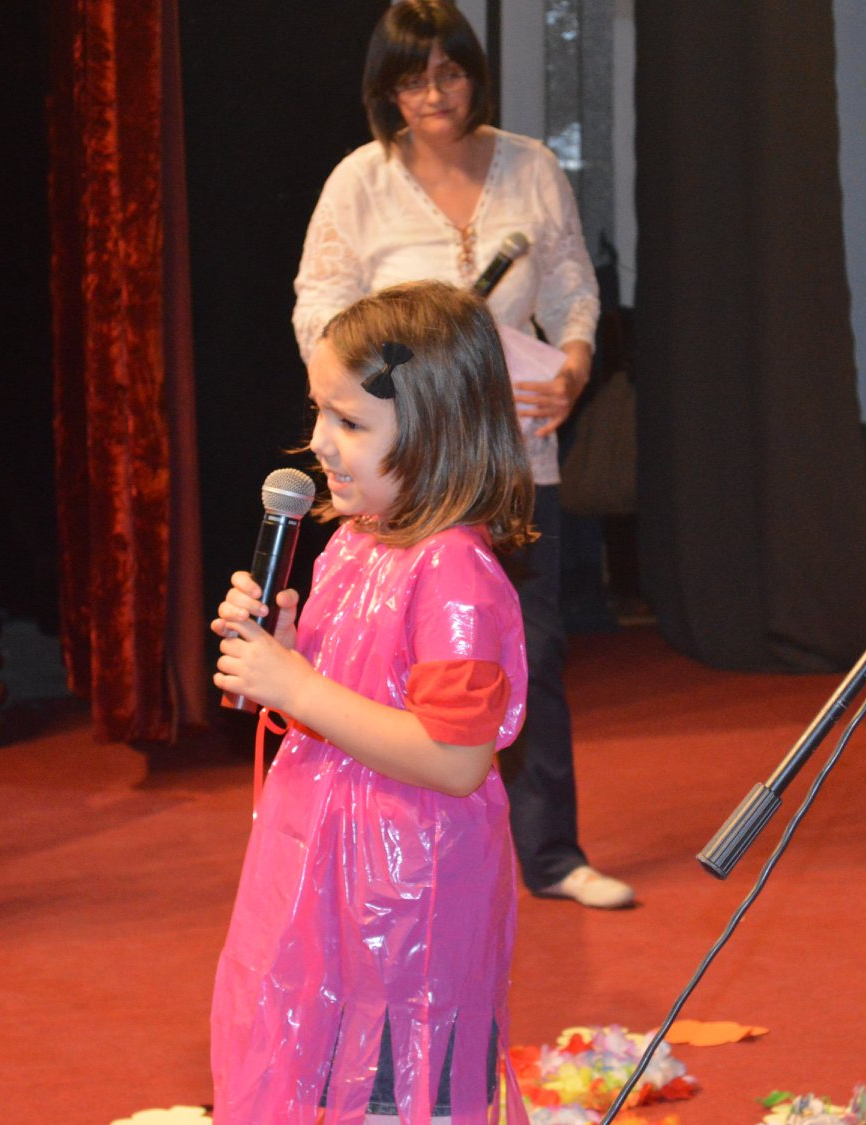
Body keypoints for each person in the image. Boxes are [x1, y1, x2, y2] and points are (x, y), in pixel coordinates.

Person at [291, 0, 630, 909]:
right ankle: (410, 847)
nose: (434, 95)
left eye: (449, 74)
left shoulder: (530, 164)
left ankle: (551, 853)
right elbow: (317, 310)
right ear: (386, 92)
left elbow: (572, 285)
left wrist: (573, 365)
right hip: (406, 464)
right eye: (412, 81)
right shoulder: (359, 182)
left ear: (475, 76)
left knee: (534, 646)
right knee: (407, 649)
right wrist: (384, 384)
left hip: (515, 447)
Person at [211, 282, 534, 1123]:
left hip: (409, 912)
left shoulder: (454, 572)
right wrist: (281, 661)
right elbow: (344, 708)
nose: (320, 442)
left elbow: (456, 759)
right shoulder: (354, 544)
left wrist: (299, 686)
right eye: (319, 411)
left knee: (395, 1098)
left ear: (436, 432)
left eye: (351, 422)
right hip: (325, 883)